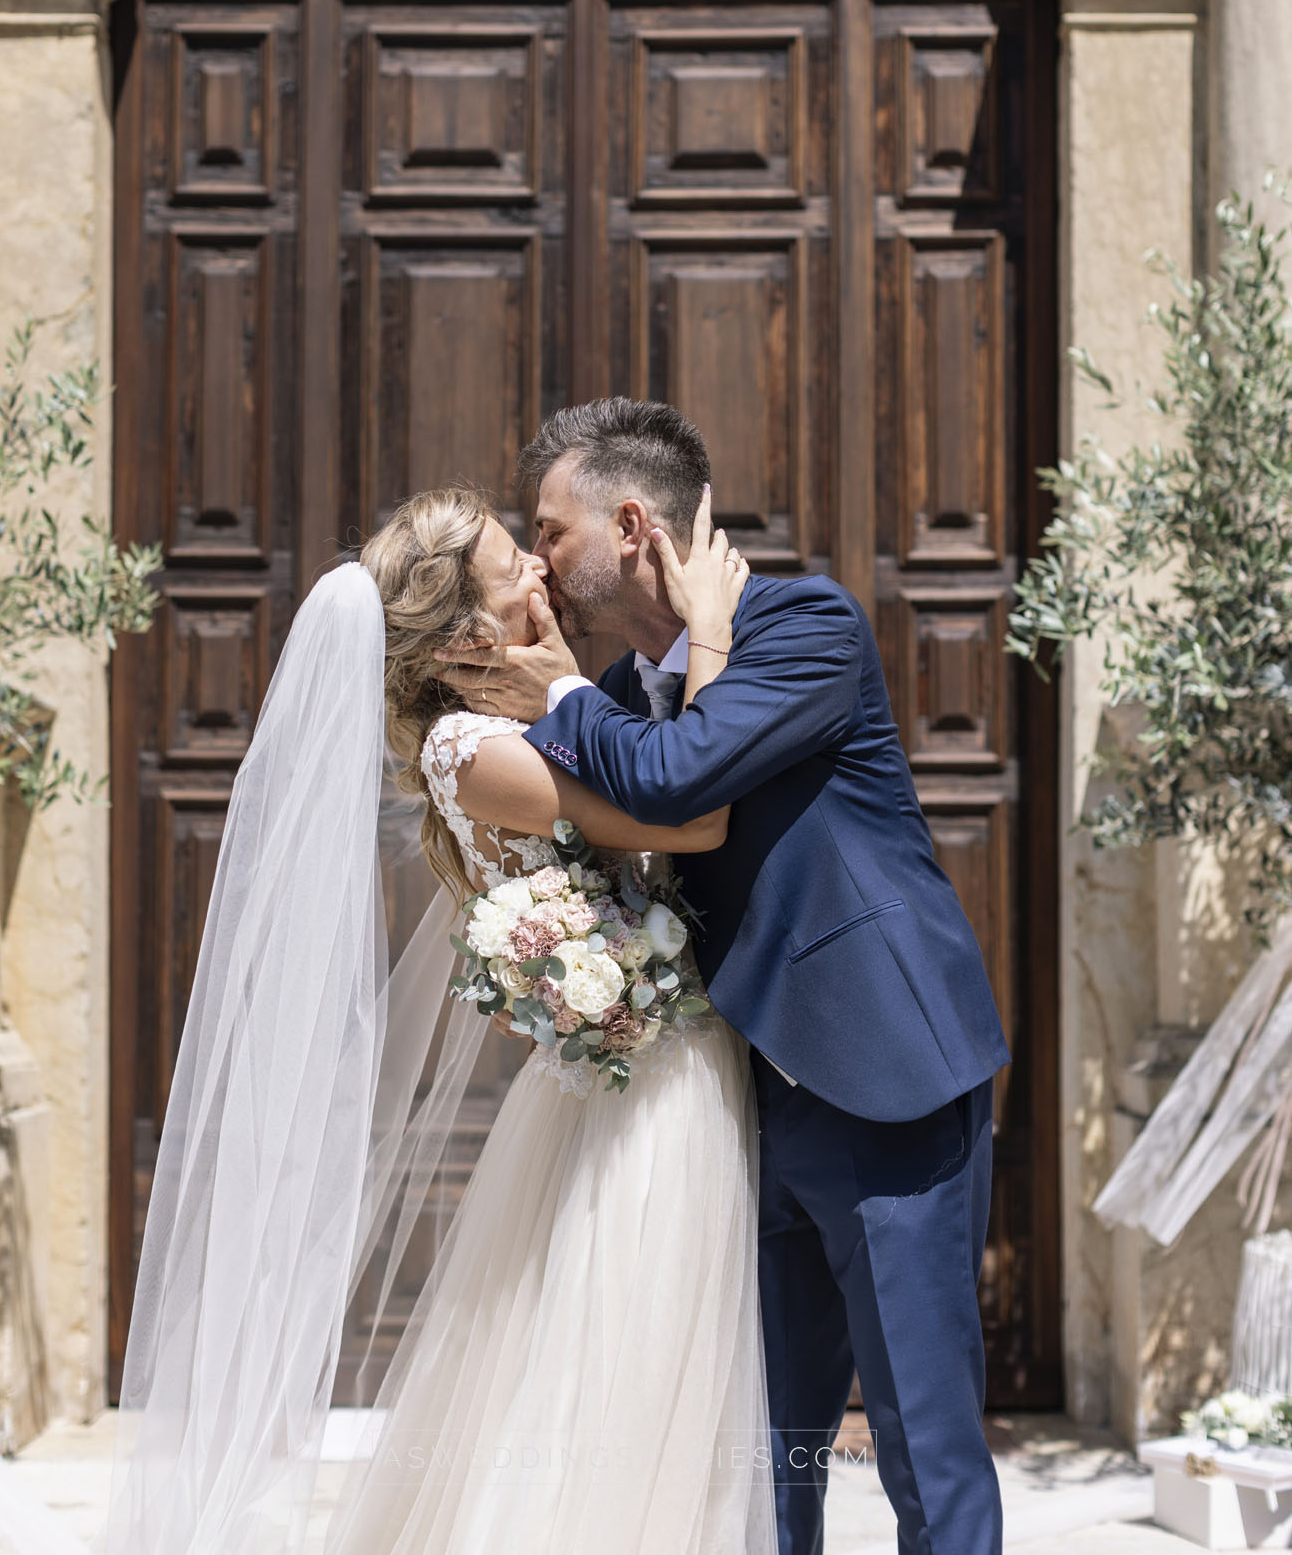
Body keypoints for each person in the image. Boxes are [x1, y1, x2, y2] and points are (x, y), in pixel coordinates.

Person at [99, 484, 775, 1555]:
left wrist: (558, 677)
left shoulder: (524, 708)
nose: (541, 572)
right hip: (644, 1076)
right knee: (621, 1353)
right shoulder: (473, 750)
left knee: (633, 1350)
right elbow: (687, 812)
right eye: (517, 565)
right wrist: (709, 630)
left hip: (656, 1054)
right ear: (464, 628)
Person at [437, 398, 1012, 1555]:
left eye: (550, 530)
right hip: (742, 1110)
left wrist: (557, 691)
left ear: (633, 523)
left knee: (921, 1444)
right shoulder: (632, 687)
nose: (540, 558)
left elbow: (680, 780)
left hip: (883, 1080)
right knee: (760, 1451)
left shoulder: (803, 625)